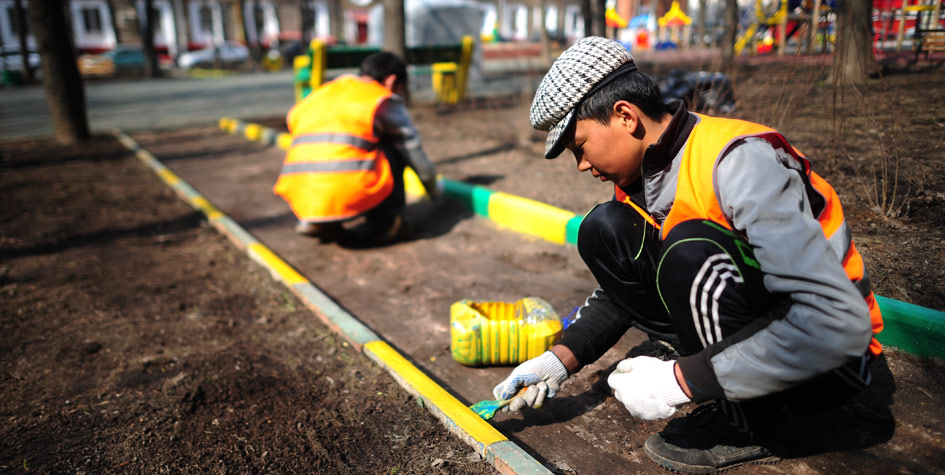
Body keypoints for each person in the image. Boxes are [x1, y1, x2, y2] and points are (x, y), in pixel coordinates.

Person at [492, 37, 884, 473]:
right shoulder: (646, 177)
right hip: (763, 335)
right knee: (606, 230)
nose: (581, 165)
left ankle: (751, 426)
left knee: (689, 249)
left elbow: (834, 325)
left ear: (625, 116)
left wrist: (680, 381)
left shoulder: (737, 162)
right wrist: (559, 360)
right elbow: (618, 292)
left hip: (829, 362)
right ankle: (719, 380)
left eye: (579, 146)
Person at [273, 51, 438, 243]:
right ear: (392, 81)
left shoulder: (322, 93)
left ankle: (318, 221)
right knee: (394, 146)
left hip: (298, 193)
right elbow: (414, 152)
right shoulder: (379, 99)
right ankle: (388, 223)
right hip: (346, 189)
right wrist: (434, 191)